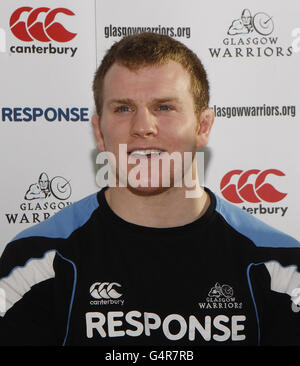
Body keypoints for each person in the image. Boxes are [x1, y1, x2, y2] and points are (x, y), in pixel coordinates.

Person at [0, 32, 300, 346]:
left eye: (165, 107)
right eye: (123, 109)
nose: (143, 126)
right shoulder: (34, 262)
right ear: (99, 133)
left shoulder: (280, 267)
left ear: (203, 126)